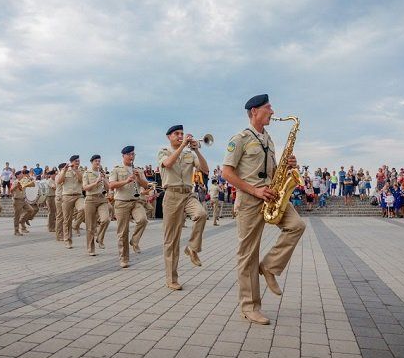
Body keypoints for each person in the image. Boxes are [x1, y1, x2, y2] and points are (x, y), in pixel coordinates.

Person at [221, 94, 306, 325]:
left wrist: (288, 166)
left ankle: (269, 266)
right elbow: (226, 173)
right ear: (254, 111)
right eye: (268, 107)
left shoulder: (268, 139)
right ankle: (249, 307)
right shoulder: (239, 139)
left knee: (297, 226)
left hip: (272, 195)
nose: (273, 111)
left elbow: (273, 170)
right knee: (248, 253)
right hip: (250, 199)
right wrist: (255, 191)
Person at [158, 125, 209, 290]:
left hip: (188, 193)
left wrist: (197, 150)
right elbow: (168, 163)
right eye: (177, 134)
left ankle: (192, 248)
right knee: (171, 240)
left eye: (182, 134)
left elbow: (205, 169)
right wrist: (183, 145)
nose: (180, 136)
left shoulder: (189, 153)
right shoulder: (163, 151)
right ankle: (171, 278)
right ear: (169, 137)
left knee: (201, 214)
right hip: (172, 195)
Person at [109, 146, 149, 268]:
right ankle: (124, 258)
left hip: (136, 201)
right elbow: (111, 185)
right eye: (129, 154)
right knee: (123, 232)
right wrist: (126, 181)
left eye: (133, 154)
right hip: (121, 202)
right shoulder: (116, 169)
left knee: (143, 220)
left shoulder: (138, 170)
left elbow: (146, 185)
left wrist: (138, 178)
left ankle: (135, 240)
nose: (132, 157)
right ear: (123, 156)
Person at [82, 155, 111, 256]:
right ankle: (91, 248)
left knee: (106, 219)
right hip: (90, 199)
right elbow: (85, 187)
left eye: (99, 161)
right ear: (92, 162)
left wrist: (104, 179)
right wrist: (96, 181)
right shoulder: (87, 173)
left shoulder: (102, 173)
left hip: (102, 199)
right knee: (90, 226)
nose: (98, 163)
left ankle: (100, 238)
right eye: (96, 161)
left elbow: (108, 188)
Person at [57, 156, 85, 248]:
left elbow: (82, 180)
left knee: (84, 208)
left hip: (78, 196)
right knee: (66, 219)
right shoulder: (64, 171)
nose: (77, 162)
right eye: (75, 161)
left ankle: (75, 225)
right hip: (67, 196)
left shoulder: (81, 170)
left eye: (78, 161)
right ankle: (67, 240)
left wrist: (76, 170)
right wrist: (64, 171)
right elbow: (59, 181)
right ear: (71, 162)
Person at [11, 170, 30, 235]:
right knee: (17, 216)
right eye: (21, 174)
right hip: (17, 200)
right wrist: (17, 185)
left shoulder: (24, 181)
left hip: (23, 200)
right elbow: (11, 190)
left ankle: (21, 220)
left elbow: (30, 184)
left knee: (30, 210)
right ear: (18, 175)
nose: (23, 175)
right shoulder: (15, 182)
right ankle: (16, 231)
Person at [45, 169, 57, 236]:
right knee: (51, 212)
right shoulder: (49, 181)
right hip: (50, 197)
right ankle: (50, 227)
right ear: (51, 175)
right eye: (54, 174)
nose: (55, 175)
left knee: (53, 212)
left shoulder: (54, 180)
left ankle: (51, 225)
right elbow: (54, 187)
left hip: (53, 197)